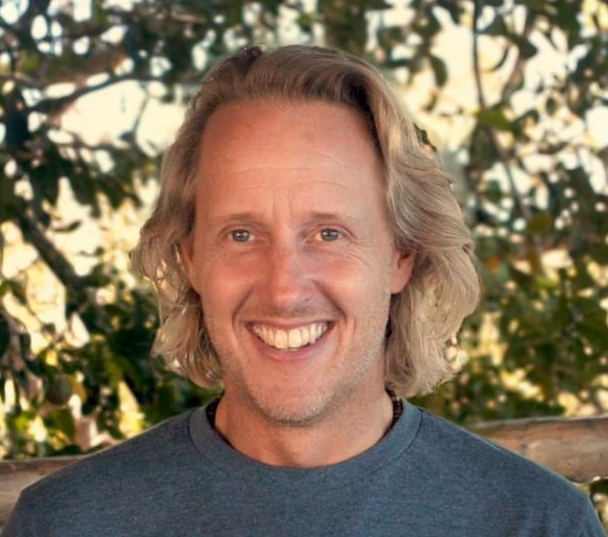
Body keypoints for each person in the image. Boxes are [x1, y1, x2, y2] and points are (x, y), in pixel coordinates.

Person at [2, 45, 605, 537]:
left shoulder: (538, 523)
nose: (284, 289)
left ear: (401, 256)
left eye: (329, 233)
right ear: (190, 259)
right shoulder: (68, 524)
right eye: (241, 234)